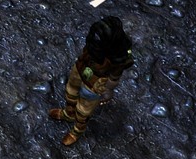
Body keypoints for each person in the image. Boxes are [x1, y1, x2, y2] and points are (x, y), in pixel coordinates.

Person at [48, 15, 134, 146]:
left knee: (84, 109)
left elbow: (115, 76)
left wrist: (108, 90)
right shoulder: (95, 41)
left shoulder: (118, 54)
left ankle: (77, 131)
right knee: (71, 90)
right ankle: (69, 113)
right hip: (81, 68)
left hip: (95, 81)